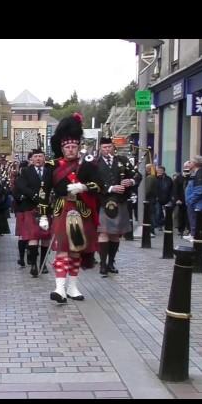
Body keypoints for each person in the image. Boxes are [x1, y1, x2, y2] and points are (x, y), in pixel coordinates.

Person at [46, 113, 102, 303]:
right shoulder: (53, 165)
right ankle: (59, 288)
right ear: (62, 148)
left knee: (76, 250)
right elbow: (44, 190)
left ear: (78, 146)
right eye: (67, 147)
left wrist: (84, 187)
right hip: (62, 210)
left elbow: (99, 185)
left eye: (73, 146)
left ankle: (73, 286)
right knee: (62, 249)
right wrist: (42, 215)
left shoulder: (88, 164)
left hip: (81, 210)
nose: (70, 150)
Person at [95, 137, 140, 277]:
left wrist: (131, 181)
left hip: (120, 201)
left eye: (109, 147)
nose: (107, 150)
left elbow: (138, 175)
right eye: (104, 148)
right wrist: (110, 188)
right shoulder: (94, 163)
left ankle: (111, 262)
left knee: (115, 234)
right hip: (103, 202)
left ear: (113, 147)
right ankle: (102, 263)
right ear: (100, 149)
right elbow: (91, 183)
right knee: (103, 232)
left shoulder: (123, 161)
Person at [14, 149, 52, 277]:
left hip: (46, 209)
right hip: (31, 207)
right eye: (36, 156)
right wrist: (35, 196)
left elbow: (53, 187)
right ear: (32, 158)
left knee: (46, 238)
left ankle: (43, 263)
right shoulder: (25, 171)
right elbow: (21, 186)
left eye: (40, 156)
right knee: (33, 237)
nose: (38, 159)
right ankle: (34, 264)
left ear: (44, 158)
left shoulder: (49, 171)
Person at [172, 162, 191, 237]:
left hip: (189, 199)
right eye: (186, 167)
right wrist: (177, 199)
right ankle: (181, 229)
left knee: (188, 216)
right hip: (181, 199)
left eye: (188, 167)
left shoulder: (193, 176)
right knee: (181, 215)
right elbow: (175, 189)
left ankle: (189, 229)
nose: (187, 169)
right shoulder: (179, 177)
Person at [155, 166, 173, 231]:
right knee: (158, 212)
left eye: (160, 170)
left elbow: (171, 188)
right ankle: (160, 225)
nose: (159, 171)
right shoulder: (155, 178)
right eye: (158, 170)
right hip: (158, 198)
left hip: (167, 197)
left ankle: (166, 224)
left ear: (163, 171)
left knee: (168, 213)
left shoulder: (168, 179)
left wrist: (171, 198)